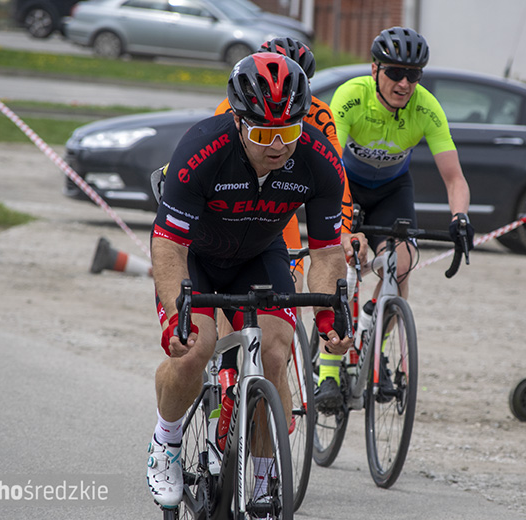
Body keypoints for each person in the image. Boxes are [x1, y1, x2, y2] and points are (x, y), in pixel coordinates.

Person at [146, 52, 354, 508]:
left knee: (276, 354)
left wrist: (328, 317)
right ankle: (167, 440)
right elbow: (168, 245)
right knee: (194, 351)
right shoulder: (201, 149)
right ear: (238, 123)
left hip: (260, 254)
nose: (278, 146)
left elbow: (326, 251)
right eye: (263, 134)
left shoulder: (318, 158)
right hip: (194, 256)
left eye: (289, 132)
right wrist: (173, 316)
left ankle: (260, 484)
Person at [317, 26, 475, 406]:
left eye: (414, 75)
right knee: (341, 264)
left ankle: (376, 343)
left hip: (392, 191)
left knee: (399, 265)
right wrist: (342, 225)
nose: (404, 83)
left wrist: (461, 219)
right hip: (346, 186)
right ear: (375, 70)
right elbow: (330, 166)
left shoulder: (426, 108)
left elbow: (455, 178)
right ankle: (327, 369)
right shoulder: (351, 97)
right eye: (395, 73)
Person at [213, 37, 368, 414]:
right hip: (232, 210)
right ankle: (224, 371)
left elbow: (335, 181)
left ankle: (274, 383)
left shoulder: (318, 115)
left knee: (290, 288)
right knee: (220, 299)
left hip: (279, 211)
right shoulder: (230, 108)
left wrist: (343, 230)